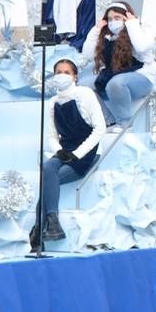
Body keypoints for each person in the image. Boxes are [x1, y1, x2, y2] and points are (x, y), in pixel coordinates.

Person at [32, 59, 106, 245]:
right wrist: (60, 151)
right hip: (65, 151)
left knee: (47, 181)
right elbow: (51, 136)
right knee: (48, 167)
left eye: (66, 72)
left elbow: (100, 129)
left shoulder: (85, 94)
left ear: (75, 77)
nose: (62, 75)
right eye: (58, 72)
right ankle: (53, 224)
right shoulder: (52, 102)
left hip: (87, 153)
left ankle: (39, 230)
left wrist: (77, 154)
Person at [82, 2, 156, 132]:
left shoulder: (143, 29)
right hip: (114, 76)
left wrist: (132, 24)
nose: (113, 22)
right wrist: (96, 29)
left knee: (116, 83)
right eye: (110, 19)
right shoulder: (107, 37)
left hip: (142, 78)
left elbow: (141, 47)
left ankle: (125, 123)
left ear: (126, 17)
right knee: (84, 86)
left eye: (117, 18)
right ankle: (108, 120)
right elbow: (87, 54)